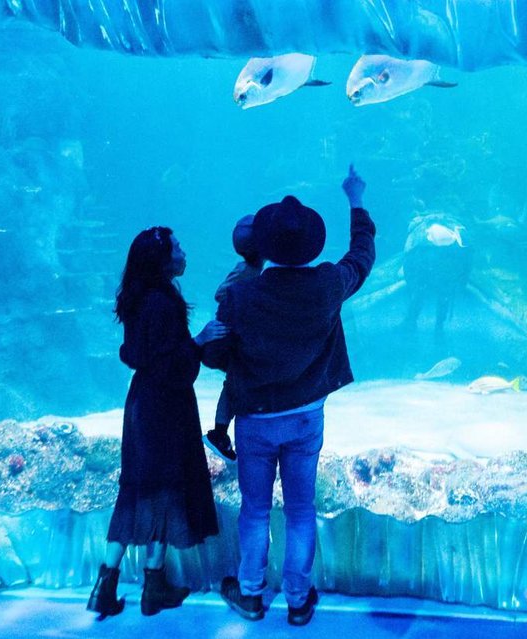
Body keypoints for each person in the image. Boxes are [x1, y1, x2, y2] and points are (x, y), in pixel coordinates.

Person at [202, 165, 376, 627]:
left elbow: (217, 357)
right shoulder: (327, 285)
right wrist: (356, 201)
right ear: (310, 244)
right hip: (305, 416)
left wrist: (208, 343)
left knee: (256, 510)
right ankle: (298, 601)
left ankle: (251, 594)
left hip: (256, 420)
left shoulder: (240, 296)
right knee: (300, 510)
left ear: (264, 245)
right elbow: (362, 256)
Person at [87, 226, 227, 619]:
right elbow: (173, 366)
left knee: (135, 492)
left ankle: (105, 585)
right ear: (161, 259)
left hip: (141, 405)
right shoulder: (163, 303)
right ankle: (153, 586)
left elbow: (136, 353)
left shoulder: (137, 298)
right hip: (166, 409)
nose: (183, 252)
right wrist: (198, 342)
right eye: (177, 247)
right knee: (166, 491)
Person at [203, 215, 265, 462]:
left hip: (239, 336)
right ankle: (219, 433)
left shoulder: (255, 270)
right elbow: (220, 293)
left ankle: (221, 433)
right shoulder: (245, 271)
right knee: (234, 383)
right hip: (232, 338)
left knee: (234, 383)